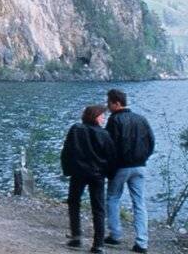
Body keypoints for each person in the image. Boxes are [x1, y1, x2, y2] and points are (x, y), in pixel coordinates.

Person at [104, 88, 155, 253]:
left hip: (121, 167)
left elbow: (109, 146)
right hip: (140, 166)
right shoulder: (141, 119)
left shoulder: (114, 120)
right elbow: (151, 141)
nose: (107, 106)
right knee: (139, 203)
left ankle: (115, 235)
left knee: (112, 198)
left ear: (116, 103)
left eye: (109, 103)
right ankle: (142, 242)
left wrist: (108, 167)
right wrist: (143, 158)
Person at [61, 105, 115, 253]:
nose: (103, 118)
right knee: (98, 208)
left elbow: (67, 151)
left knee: (74, 203)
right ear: (96, 117)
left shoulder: (76, 129)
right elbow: (110, 156)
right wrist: (108, 174)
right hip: (97, 175)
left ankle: (76, 236)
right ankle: (98, 244)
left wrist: (67, 170)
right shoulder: (104, 134)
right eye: (102, 116)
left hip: (78, 173)